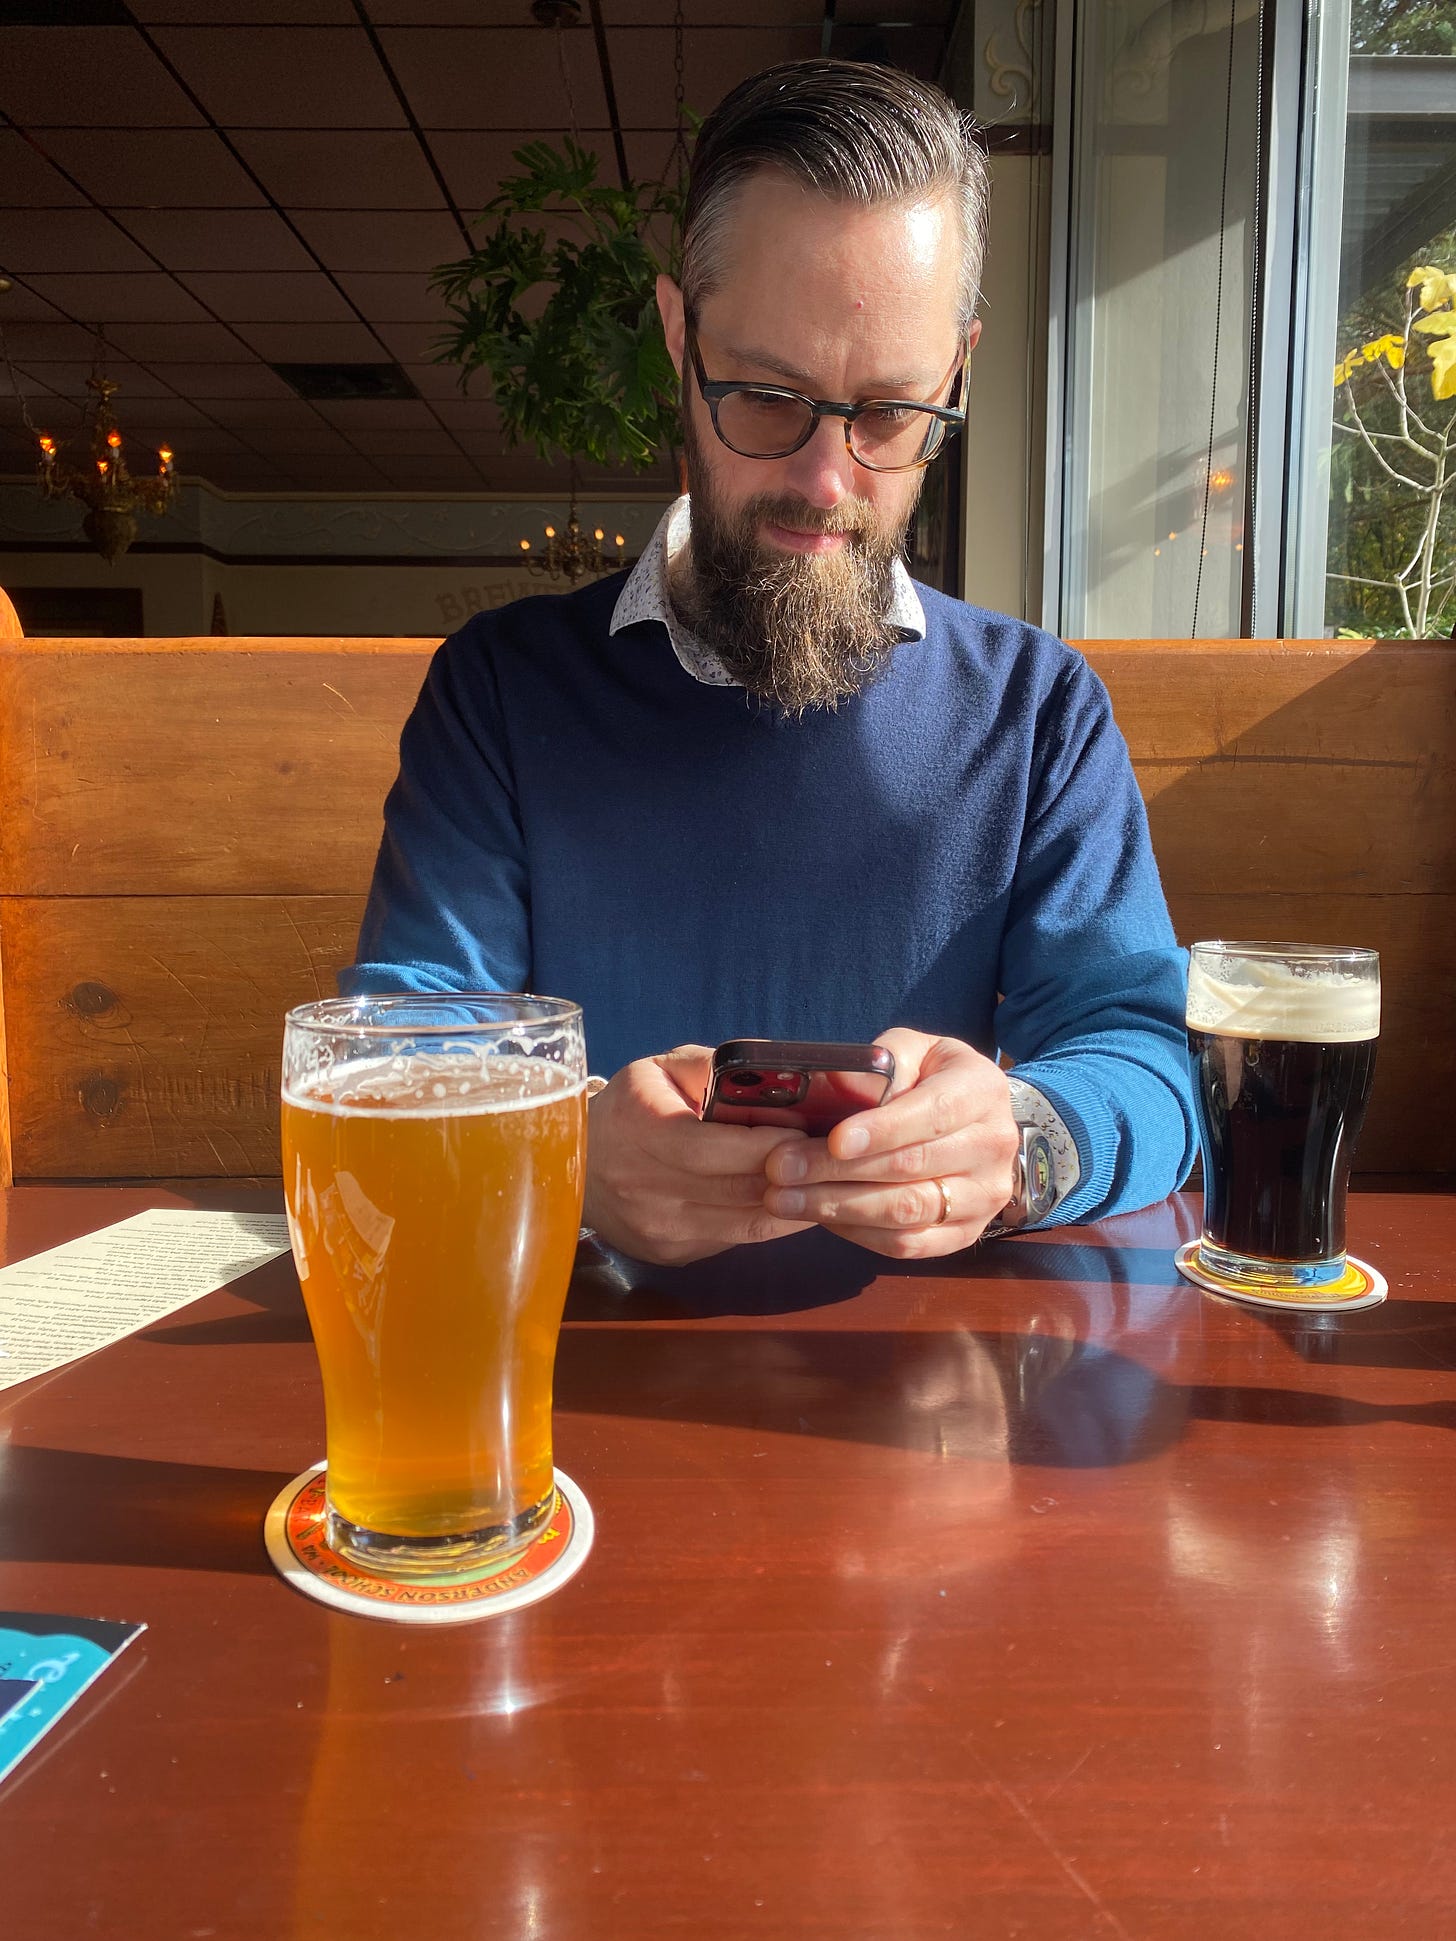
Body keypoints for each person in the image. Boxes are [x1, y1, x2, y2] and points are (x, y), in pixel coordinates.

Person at [341, 59, 1198, 1266]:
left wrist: (1021, 1142)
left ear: (956, 369)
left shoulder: (1038, 713)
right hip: (574, 1392)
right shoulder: (502, 693)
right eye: (765, 395)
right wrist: (568, 1157)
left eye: (891, 412)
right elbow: (399, 1050)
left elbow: (1147, 1056)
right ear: (678, 335)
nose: (825, 479)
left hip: (940, 1415)